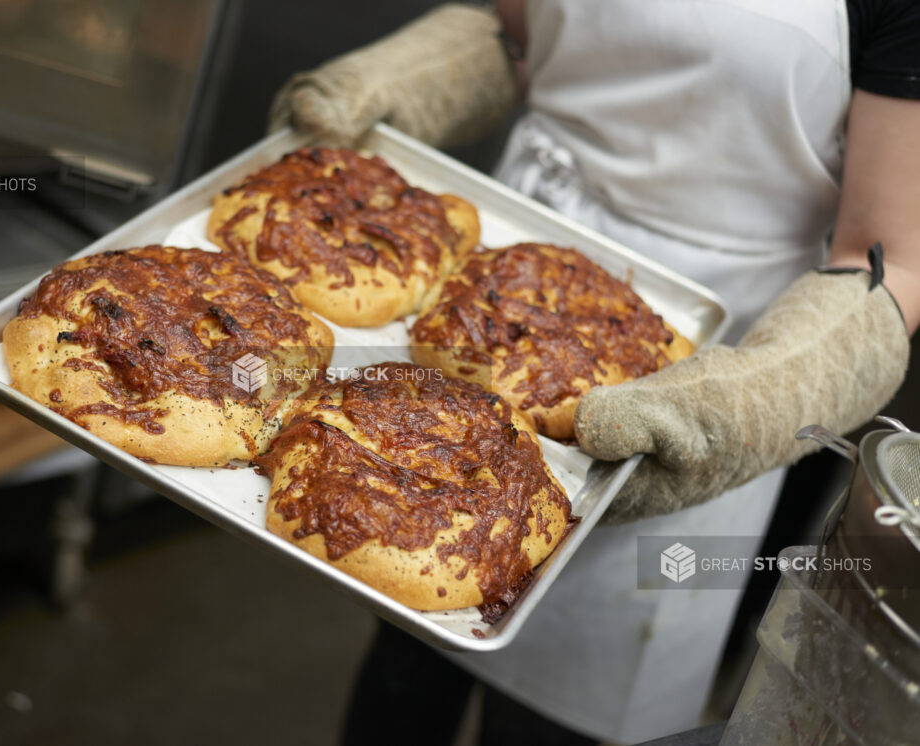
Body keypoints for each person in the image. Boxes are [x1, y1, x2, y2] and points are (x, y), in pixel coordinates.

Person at [270, 1, 920, 743]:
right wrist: (411, 75)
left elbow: (890, 261)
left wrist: (749, 406)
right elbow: (515, 35)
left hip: (704, 368)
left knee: (570, 705)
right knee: (405, 630)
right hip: (491, 285)